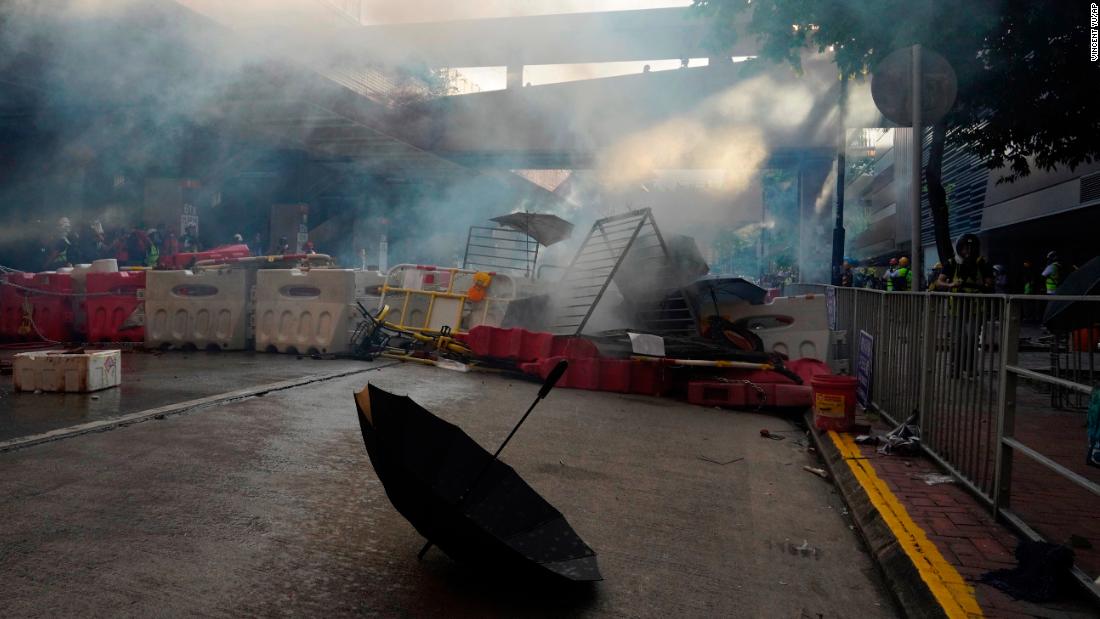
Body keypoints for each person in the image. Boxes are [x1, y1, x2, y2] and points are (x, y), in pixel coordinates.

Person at [938, 234, 994, 378]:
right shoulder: (952, 263)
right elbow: (940, 282)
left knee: (972, 337)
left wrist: (982, 286)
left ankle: (969, 367)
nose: (968, 251)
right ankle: (954, 368)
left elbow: (989, 283)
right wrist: (951, 284)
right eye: (965, 248)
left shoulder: (982, 263)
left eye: (971, 247)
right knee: (958, 338)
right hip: (957, 308)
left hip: (976, 308)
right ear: (959, 248)